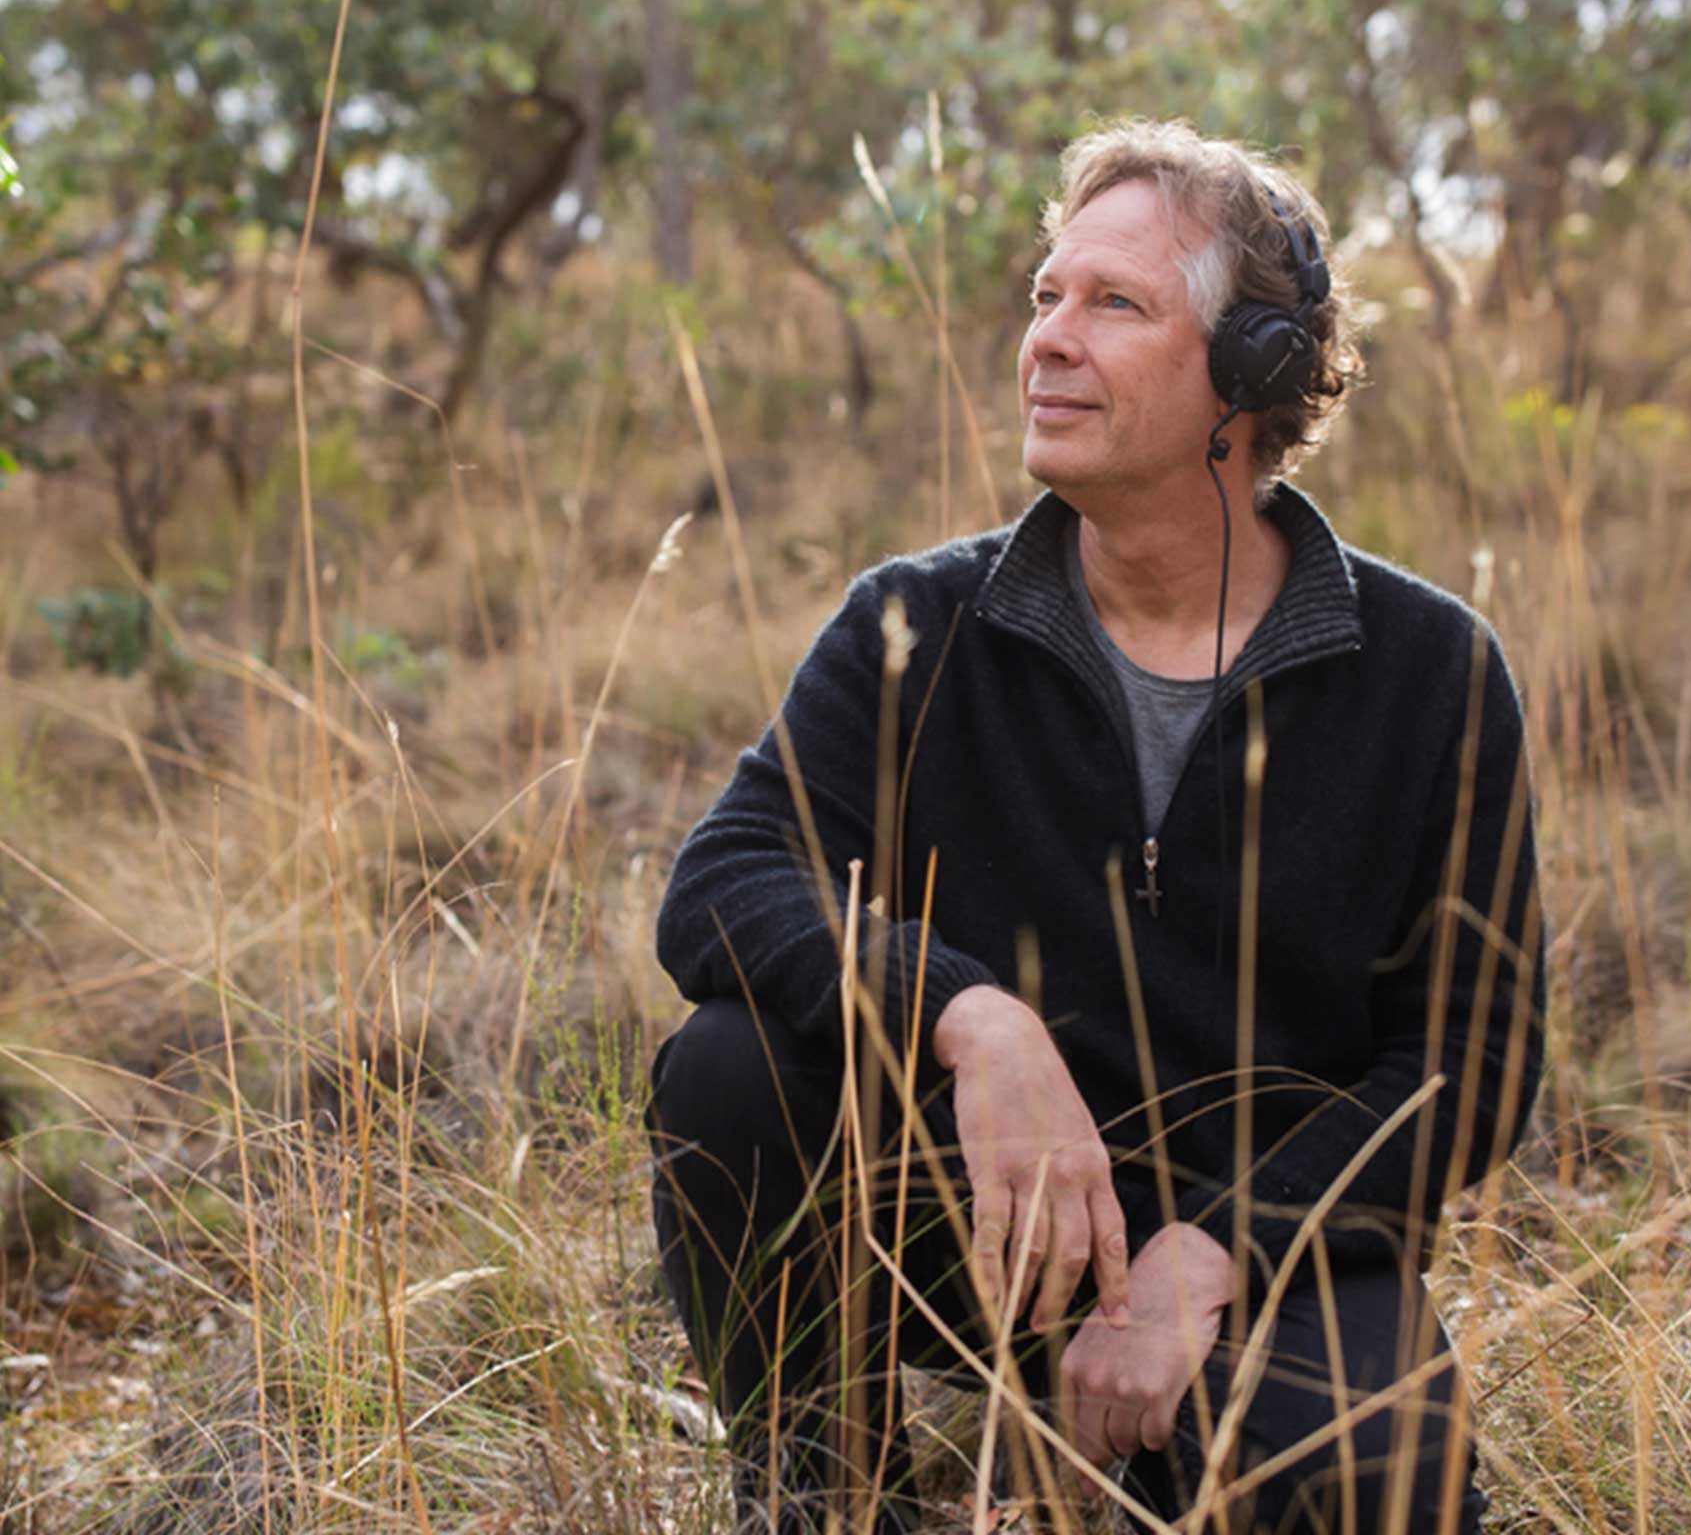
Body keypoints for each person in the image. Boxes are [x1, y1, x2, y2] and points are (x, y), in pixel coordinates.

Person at [648, 119, 1545, 1535]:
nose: (1048, 341)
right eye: (1045, 295)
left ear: (1251, 372)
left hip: (1264, 1254)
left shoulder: (1432, 672)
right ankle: (826, 1501)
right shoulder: (917, 622)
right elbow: (724, 880)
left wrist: (1220, 1251)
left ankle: (1171, 1443)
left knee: (1375, 1498)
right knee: (729, 1069)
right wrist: (971, 1019)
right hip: (980, 1214)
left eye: (1114, 303)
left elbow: (1470, 1061)